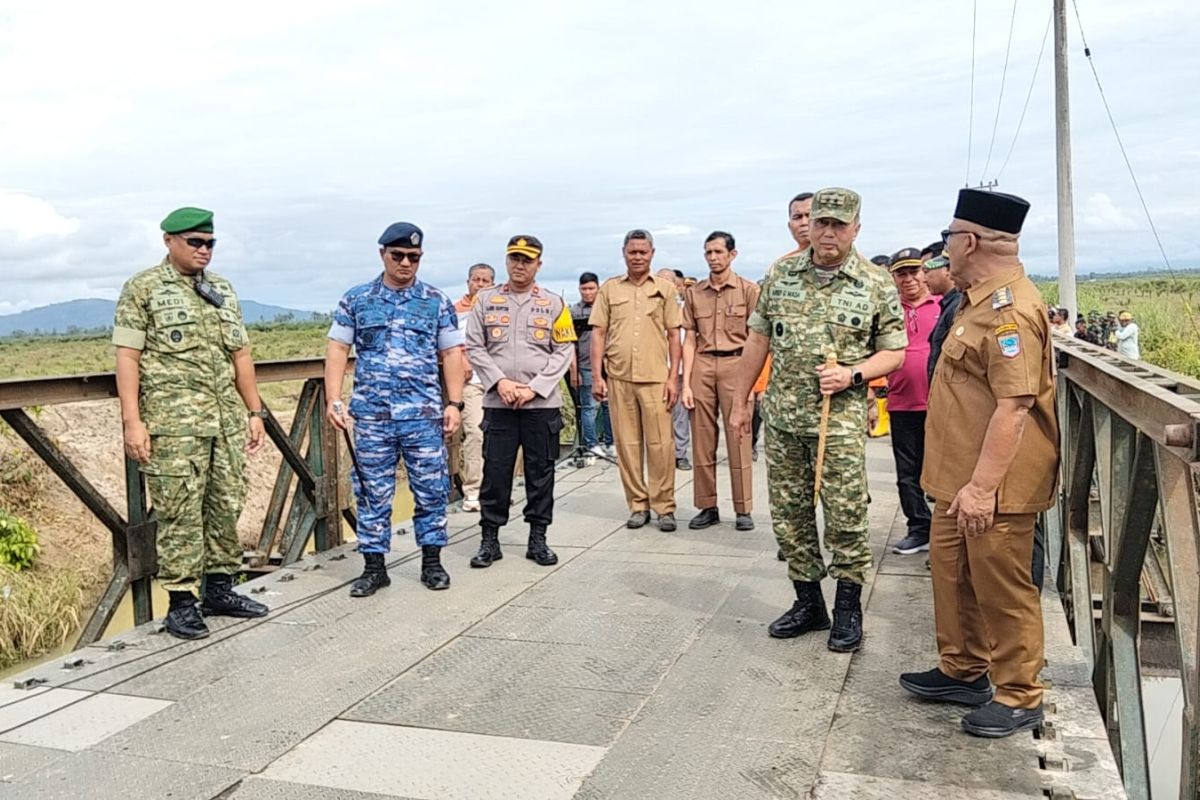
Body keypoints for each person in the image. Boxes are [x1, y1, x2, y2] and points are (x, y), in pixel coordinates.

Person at [899, 188, 1059, 739]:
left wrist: (984, 488)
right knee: (953, 573)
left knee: (1001, 587)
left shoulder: (1011, 310)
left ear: (969, 242)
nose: (945, 248)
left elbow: (1014, 407)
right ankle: (963, 669)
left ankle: (1018, 693)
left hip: (995, 483)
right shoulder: (976, 300)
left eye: (948, 238)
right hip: (957, 477)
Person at [731, 188, 907, 652]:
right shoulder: (781, 273)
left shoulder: (874, 282)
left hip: (839, 422)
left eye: (838, 225)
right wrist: (739, 401)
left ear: (856, 229)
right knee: (789, 515)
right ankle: (808, 602)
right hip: (784, 420)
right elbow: (758, 340)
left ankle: (848, 607)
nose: (828, 232)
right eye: (821, 223)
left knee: (846, 515)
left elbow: (894, 351)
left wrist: (853, 373)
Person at [113, 207, 269, 640]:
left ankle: (219, 589)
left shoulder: (222, 289)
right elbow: (127, 357)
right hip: (174, 426)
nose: (204, 250)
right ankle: (181, 603)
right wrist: (132, 422)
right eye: (195, 242)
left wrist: (254, 411)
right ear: (169, 241)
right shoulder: (144, 288)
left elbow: (241, 355)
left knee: (226, 505)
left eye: (210, 243)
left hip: (226, 423)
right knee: (179, 513)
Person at [325, 222, 464, 595]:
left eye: (413, 257)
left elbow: (452, 353)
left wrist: (454, 403)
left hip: (423, 416)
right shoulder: (357, 299)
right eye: (398, 255)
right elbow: (338, 348)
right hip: (373, 417)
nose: (405, 263)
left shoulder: (435, 301)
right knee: (372, 491)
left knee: (431, 489)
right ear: (382, 254)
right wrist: (333, 398)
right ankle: (374, 567)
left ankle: (432, 563)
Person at [464, 236, 575, 569]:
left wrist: (534, 388)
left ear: (538, 264)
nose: (520, 265)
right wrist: (500, 382)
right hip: (499, 403)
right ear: (506, 260)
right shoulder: (486, 300)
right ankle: (489, 540)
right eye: (514, 258)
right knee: (495, 473)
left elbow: (563, 351)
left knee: (541, 474)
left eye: (527, 260)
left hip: (540, 405)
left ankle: (538, 538)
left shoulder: (554, 303)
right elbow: (475, 346)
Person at [590, 230, 683, 531]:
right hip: (619, 377)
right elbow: (598, 333)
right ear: (624, 253)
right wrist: (597, 376)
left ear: (652, 253)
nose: (638, 257)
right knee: (628, 446)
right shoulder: (610, 289)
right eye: (632, 252)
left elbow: (674, 335)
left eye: (643, 252)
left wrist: (673, 378)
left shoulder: (665, 289)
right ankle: (638, 505)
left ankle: (664, 507)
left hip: (656, 378)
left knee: (661, 446)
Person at [681, 231, 760, 532]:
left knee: (739, 436)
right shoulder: (694, 293)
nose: (713, 258)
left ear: (732, 255)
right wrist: (686, 383)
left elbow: (757, 339)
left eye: (718, 252)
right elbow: (689, 338)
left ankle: (743, 508)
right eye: (708, 253)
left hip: (737, 364)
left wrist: (752, 383)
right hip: (702, 364)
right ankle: (707, 505)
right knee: (702, 439)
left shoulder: (748, 291)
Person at [885, 248, 942, 555]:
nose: (908, 279)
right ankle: (919, 528)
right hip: (902, 402)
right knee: (907, 473)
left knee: (945, 468)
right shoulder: (888, 311)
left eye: (913, 272)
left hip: (940, 404)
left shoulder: (944, 305)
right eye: (901, 273)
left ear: (924, 273)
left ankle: (947, 532)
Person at [454, 263, 496, 511]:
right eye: (476, 280)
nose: (480, 284)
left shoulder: (500, 308)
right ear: (468, 282)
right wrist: (461, 358)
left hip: (496, 381)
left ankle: (497, 488)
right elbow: (446, 342)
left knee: (499, 436)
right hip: (471, 382)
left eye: (485, 281)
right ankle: (472, 490)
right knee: (475, 433)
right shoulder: (455, 310)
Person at [659, 267, 692, 470]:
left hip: (678, 370)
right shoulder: (648, 307)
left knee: (680, 413)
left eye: (667, 281)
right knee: (658, 414)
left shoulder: (685, 308)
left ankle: (680, 453)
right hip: (655, 370)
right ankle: (661, 454)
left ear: (675, 285)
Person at [570, 272, 606, 458]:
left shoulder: (606, 308)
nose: (587, 292)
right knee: (588, 407)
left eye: (591, 288)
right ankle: (591, 444)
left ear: (598, 288)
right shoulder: (574, 311)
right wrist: (574, 370)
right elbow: (569, 344)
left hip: (608, 365)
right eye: (584, 289)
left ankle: (610, 442)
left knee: (609, 406)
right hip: (585, 364)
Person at [924, 254, 963, 385]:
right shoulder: (948, 305)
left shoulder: (957, 306)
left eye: (927, 272)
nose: (923, 280)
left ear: (947, 270)